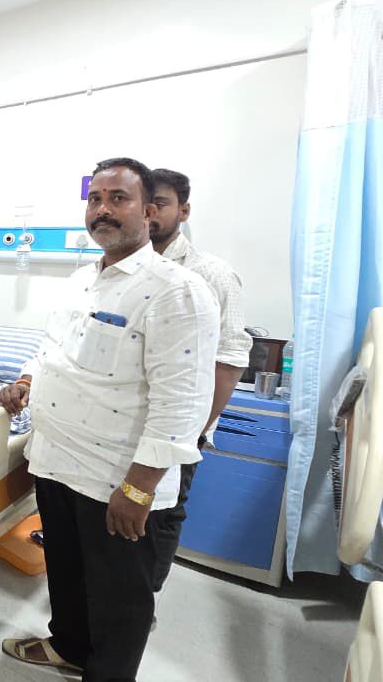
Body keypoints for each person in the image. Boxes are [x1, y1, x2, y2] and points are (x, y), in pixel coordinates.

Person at [0, 157, 219, 682]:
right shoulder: (81, 280)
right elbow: (53, 349)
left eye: (118, 198)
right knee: (67, 575)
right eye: (95, 199)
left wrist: (139, 488)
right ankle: (70, 648)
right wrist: (26, 380)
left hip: (115, 478)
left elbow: (182, 402)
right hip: (56, 462)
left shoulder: (176, 291)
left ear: (148, 211)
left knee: (120, 599)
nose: (103, 209)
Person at [147, 167, 252, 592]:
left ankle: (144, 602)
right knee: (124, 510)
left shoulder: (212, 274)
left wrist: (192, 431)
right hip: (130, 418)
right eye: (144, 203)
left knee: (163, 511)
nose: (150, 212)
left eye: (161, 203)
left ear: (184, 211)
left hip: (181, 425)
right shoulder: (125, 269)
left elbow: (230, 358)